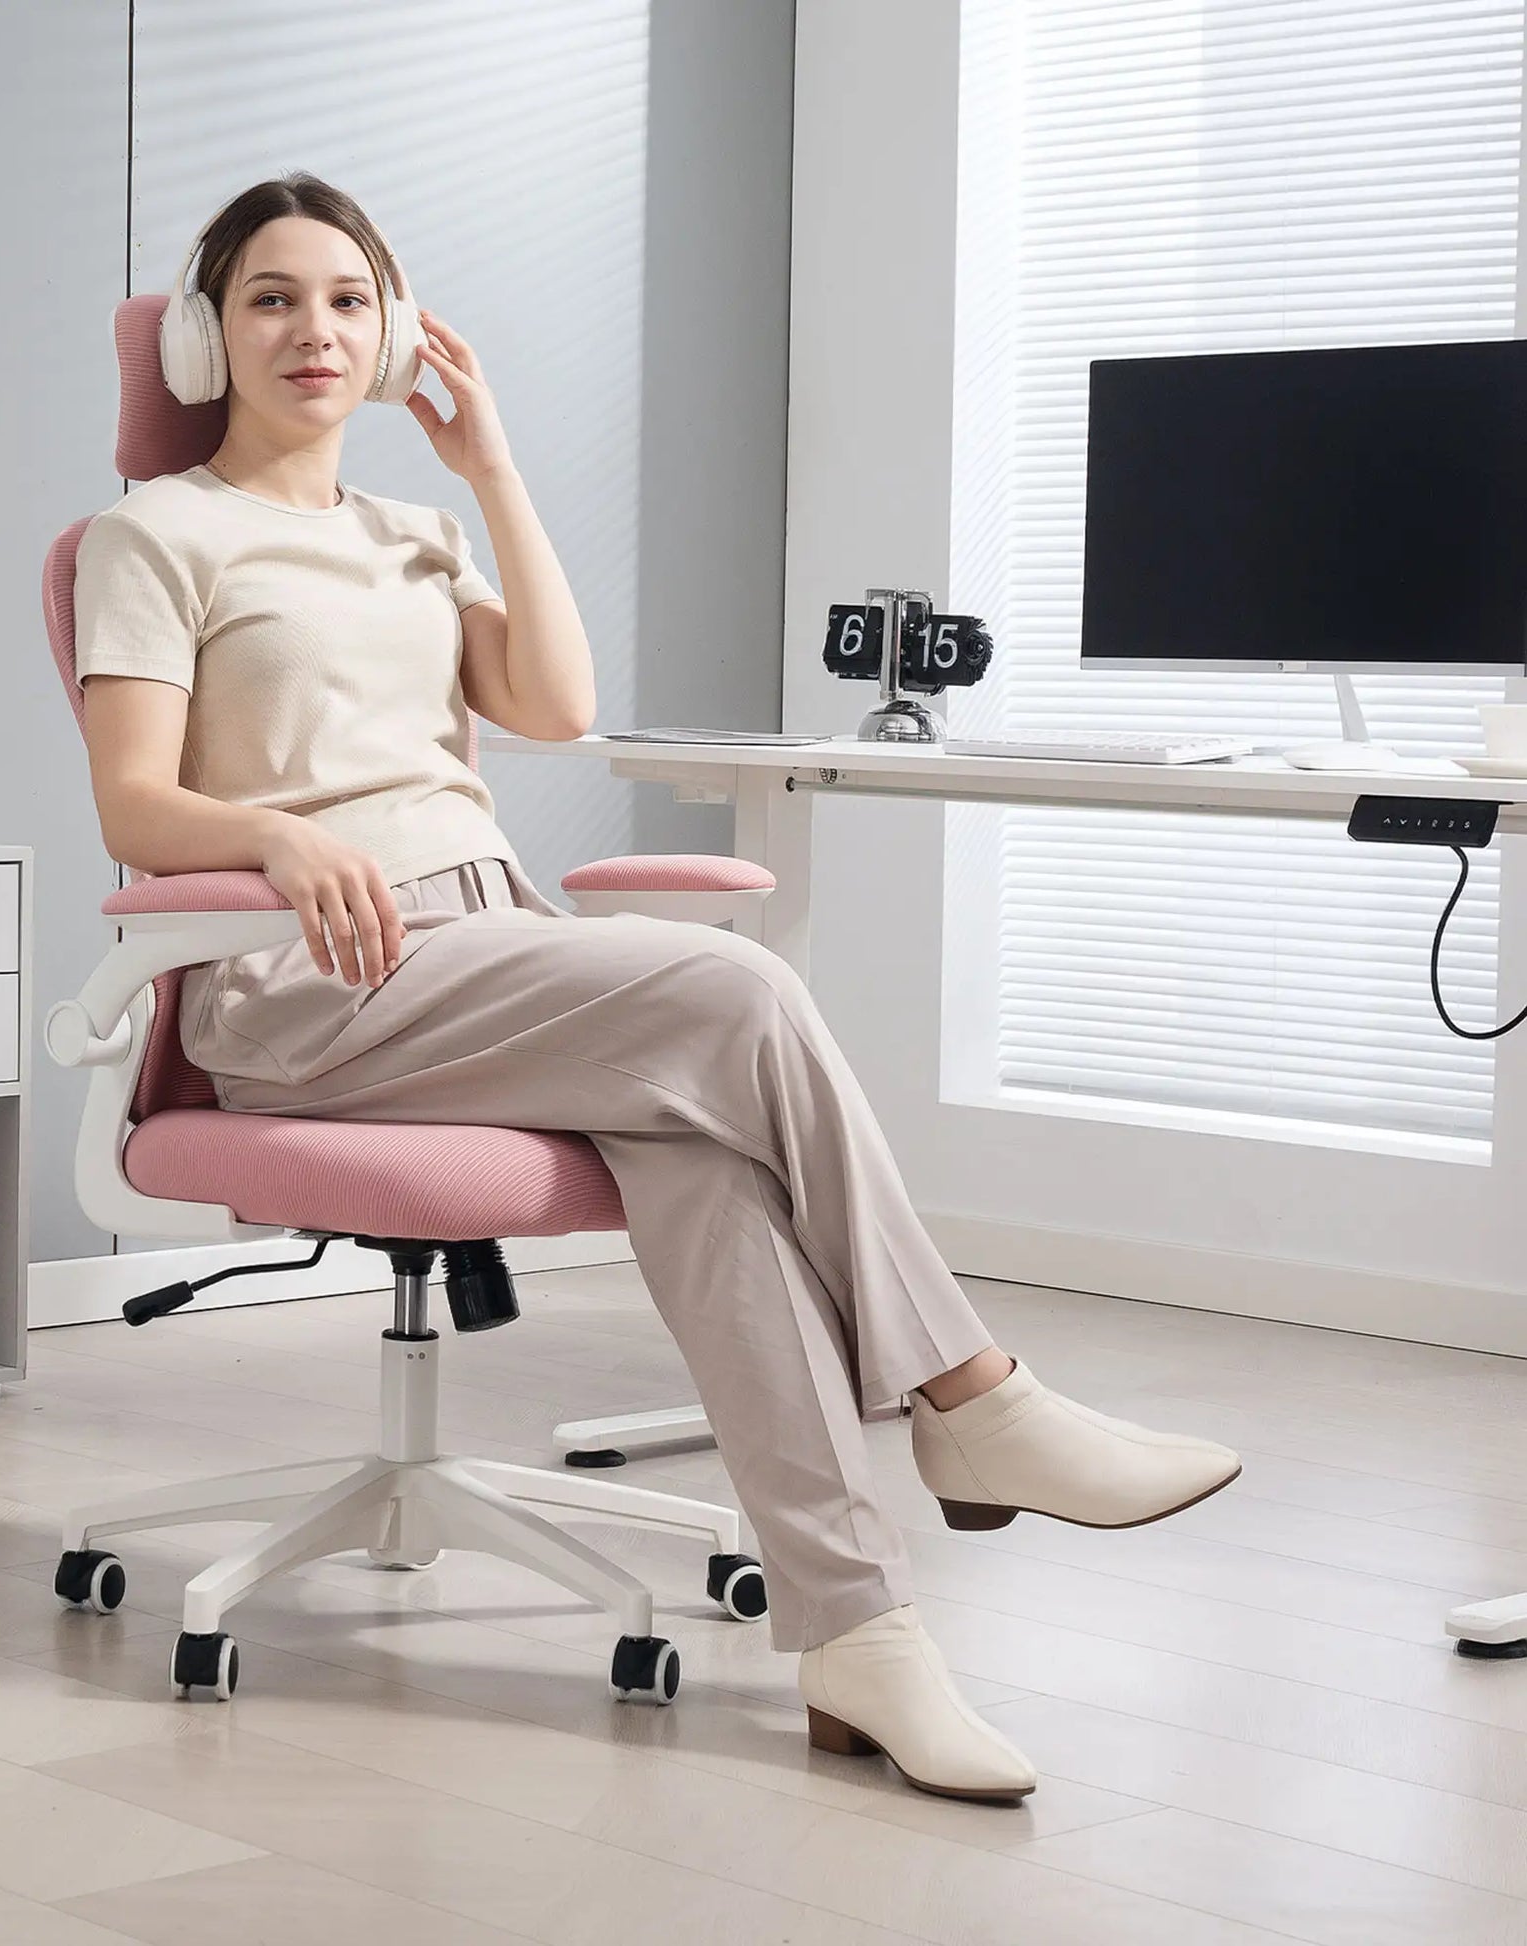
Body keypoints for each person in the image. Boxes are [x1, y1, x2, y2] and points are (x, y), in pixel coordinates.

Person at [71, 172, 1241, 1806]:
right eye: (269, 297)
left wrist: (486, 465)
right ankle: (977, 1396)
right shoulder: (155, 534)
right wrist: (271, 835)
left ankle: (858, 1642)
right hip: (301, 979)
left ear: (396, 330)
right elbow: (136, 803)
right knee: (736, 994)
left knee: (707, 1170)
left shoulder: (418, 532)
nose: (313, 331)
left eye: (348, 298)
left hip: (483, 945)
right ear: (207, 334)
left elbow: (554, 704)